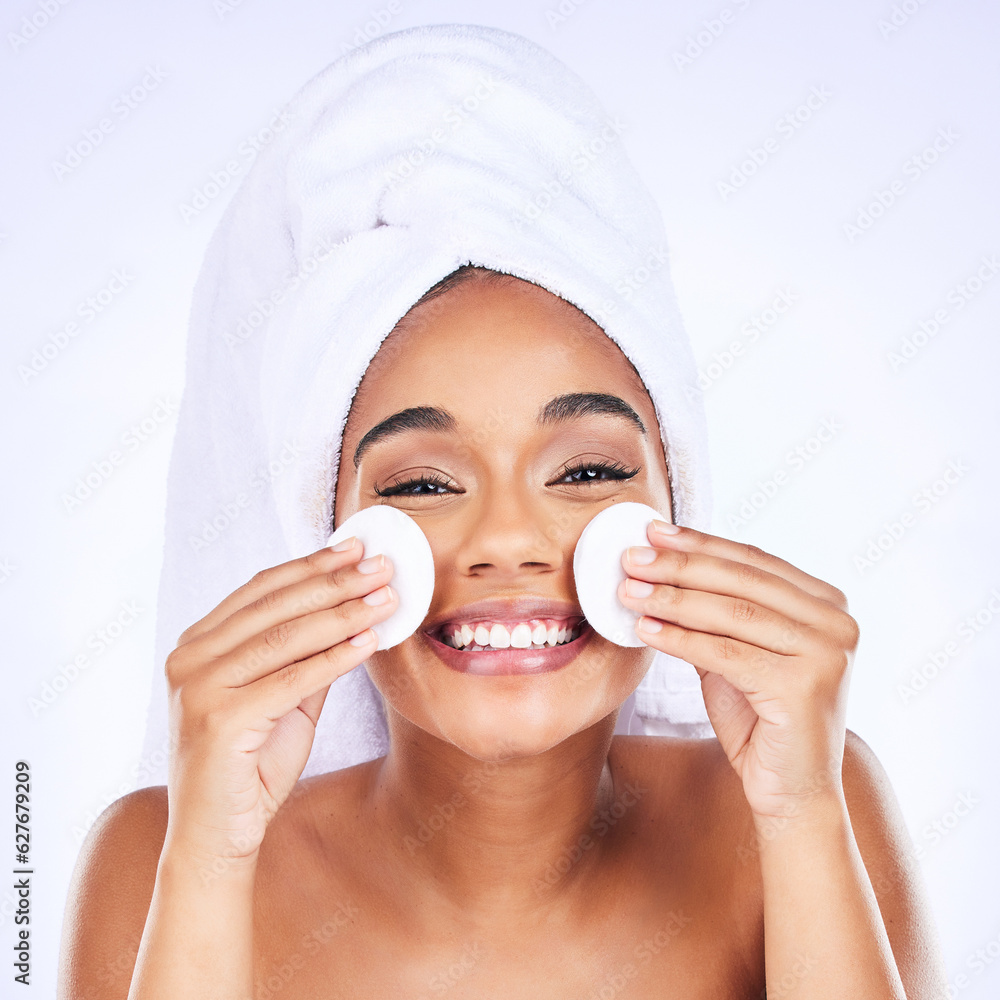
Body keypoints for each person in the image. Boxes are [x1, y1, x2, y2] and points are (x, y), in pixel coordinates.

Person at [58, 24, 948, 1000]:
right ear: (323, 534)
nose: (509, 541)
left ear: (675, 505)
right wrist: (212, 861)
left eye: (586, 471)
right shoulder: (157, 858)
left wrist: (800, 811)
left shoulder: (808, 811)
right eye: (423, 484)